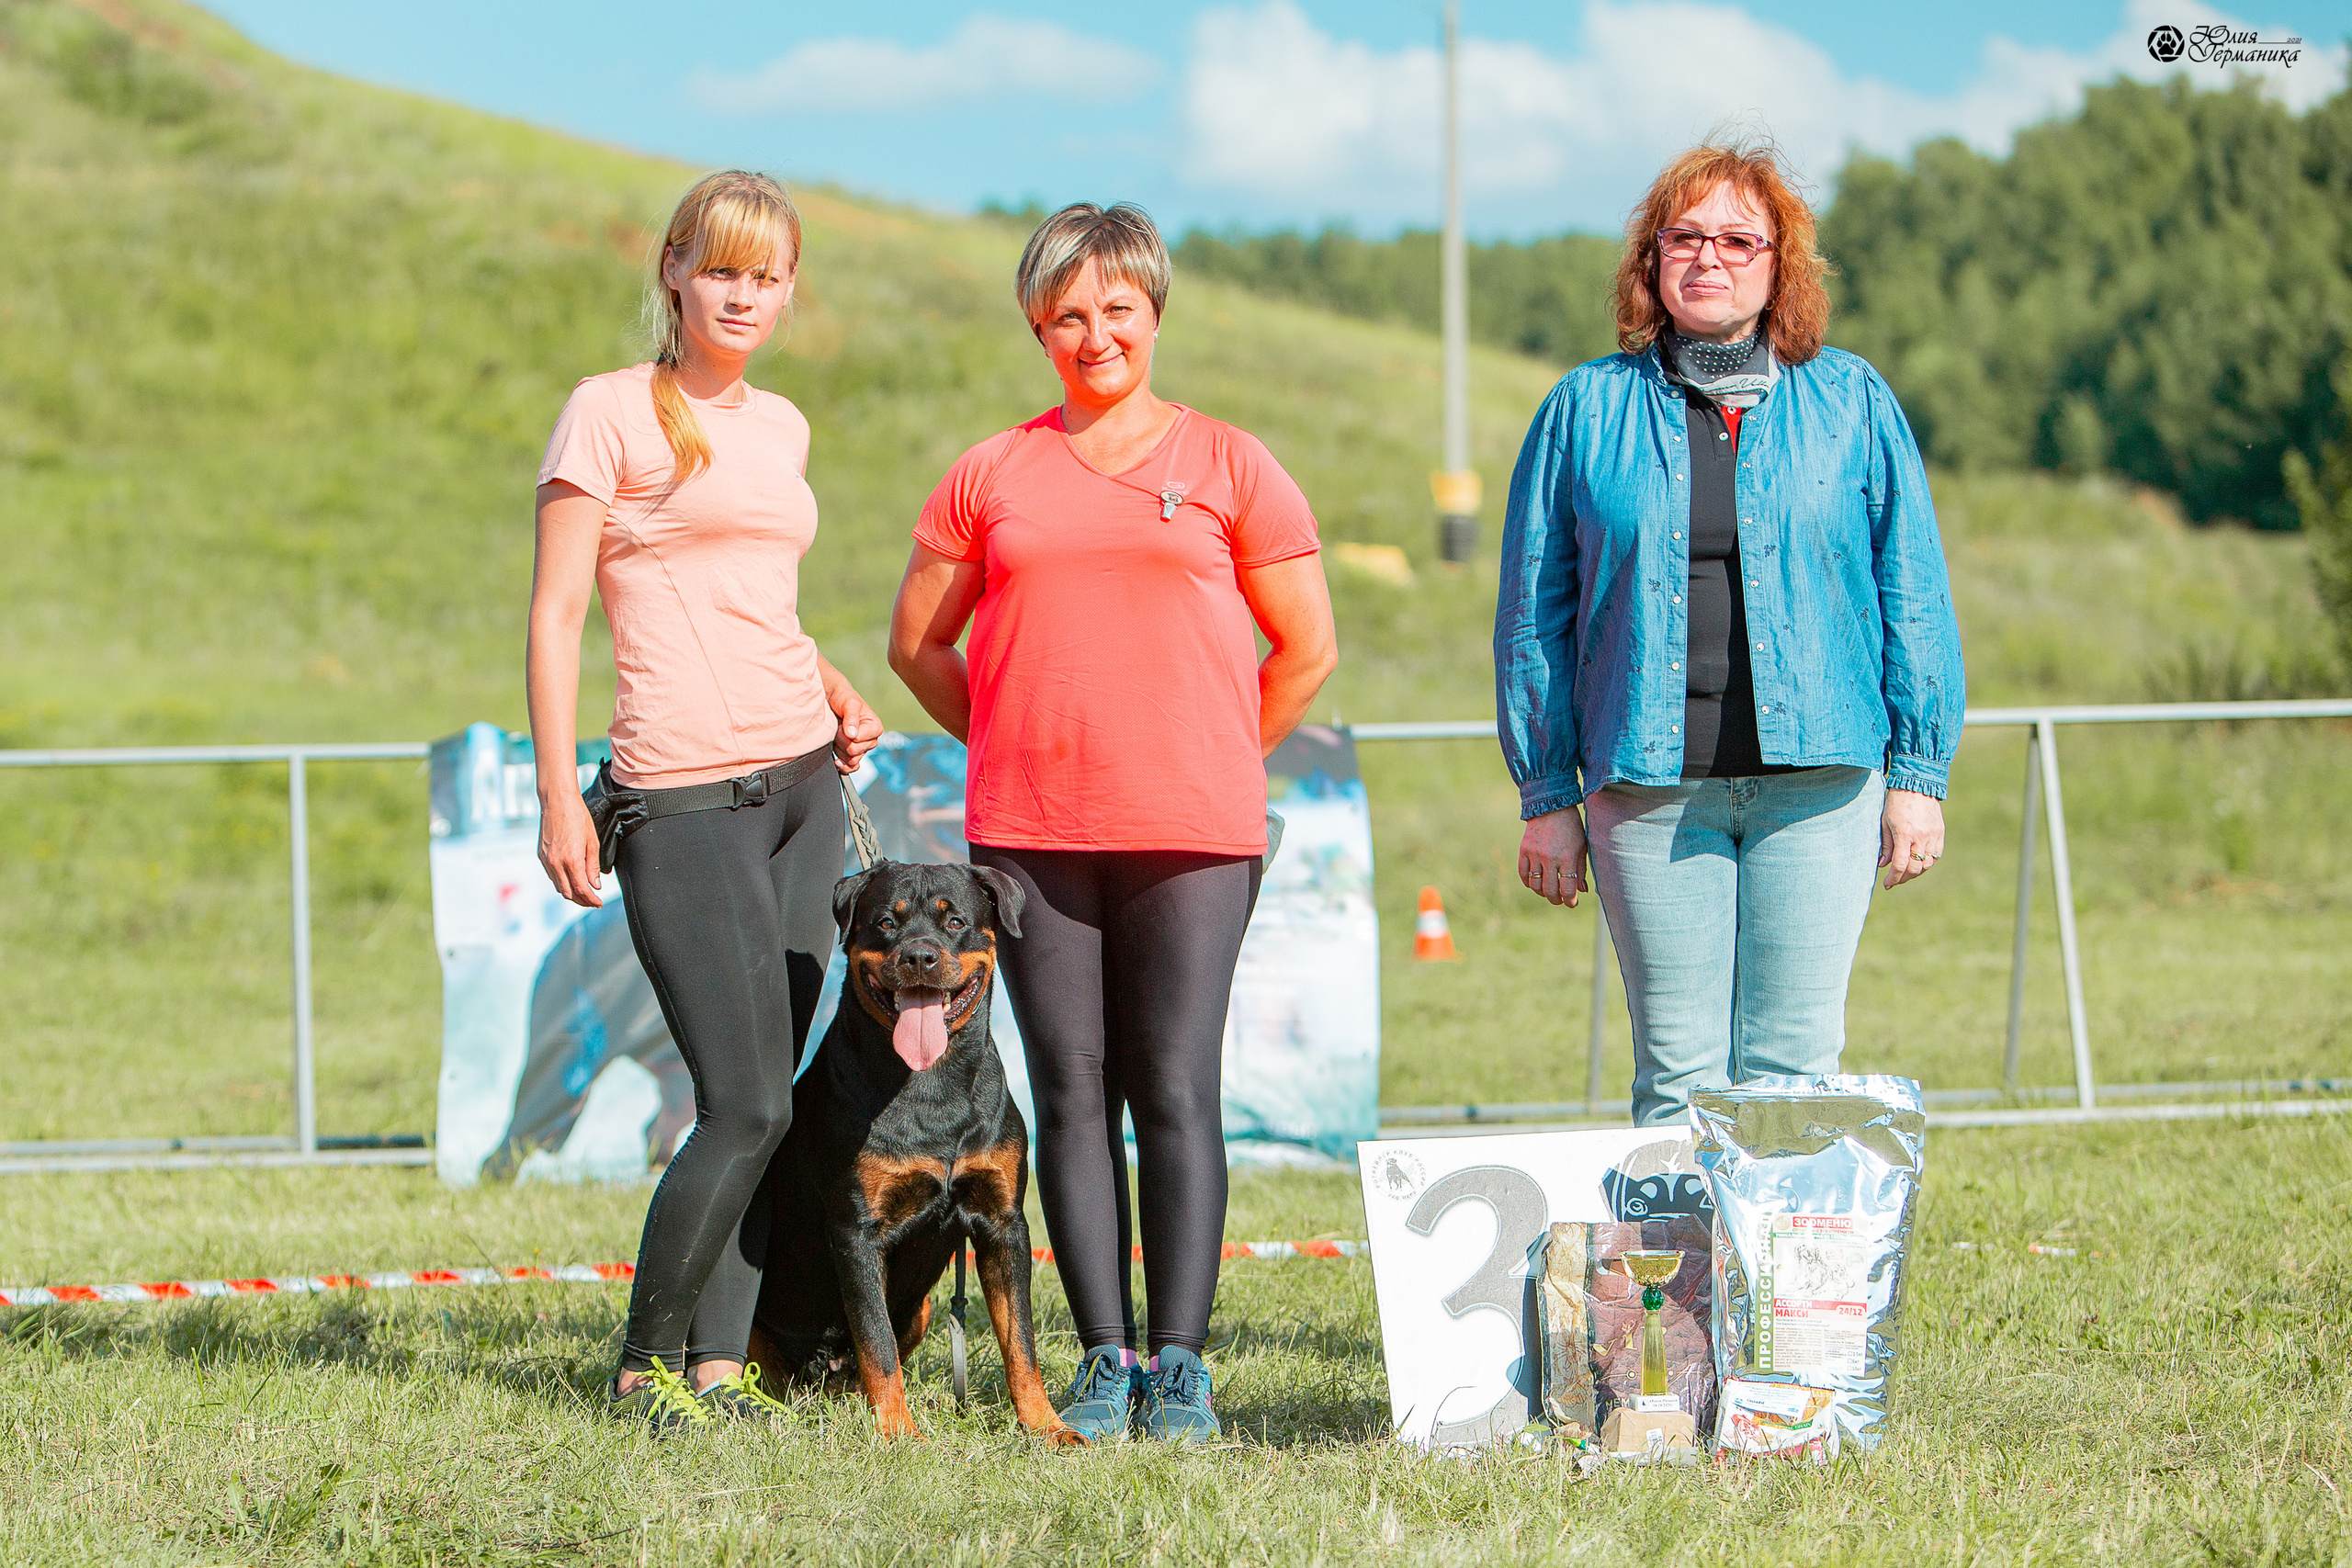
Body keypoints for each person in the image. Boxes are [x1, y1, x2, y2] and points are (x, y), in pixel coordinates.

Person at [888, 203, 1337, 1444]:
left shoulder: (1232, 462)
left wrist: (1209, 749)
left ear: (1154, 312)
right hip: (1030, 834)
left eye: (1117, 310)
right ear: (1039, 326)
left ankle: (1182, 1363)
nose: (1096, 334)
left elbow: (1307, 645)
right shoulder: (990, 473)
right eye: (1068, 315)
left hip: (1195, 830)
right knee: (1072, 1091)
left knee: (1177, 1086)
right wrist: (1013, 734)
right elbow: (919, 642)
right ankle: (1102, 1356)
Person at [1496, 140, 1964, 1127]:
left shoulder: (1852, 402)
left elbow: (1910, 589)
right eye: (1685, 237)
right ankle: (1690, 1288)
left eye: (1737, 239)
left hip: (1822, 788)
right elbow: (1534, 615)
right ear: (1651, 260)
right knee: (1678, 1075)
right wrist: (1546, 793)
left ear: (1778, 263)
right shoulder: (1584, 410)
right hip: (1650, 789)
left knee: (1792, 1074)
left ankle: (1785, 1291)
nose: (1708, 258)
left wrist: (1918, 777)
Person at [526, 169, 883, 1432]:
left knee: (774, 1091)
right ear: (675, 270)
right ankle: (641, 1367)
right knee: (744, 1100)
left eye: (769, 275)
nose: (744, 294)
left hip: (798, 779)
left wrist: (834, 682)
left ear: (790, 291)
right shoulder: (610, 412)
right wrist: (561, 792)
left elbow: (758, 596)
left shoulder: (780, 427)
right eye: (722, 268)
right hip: (675, 796)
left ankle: (722, 1370)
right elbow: (559, 613)